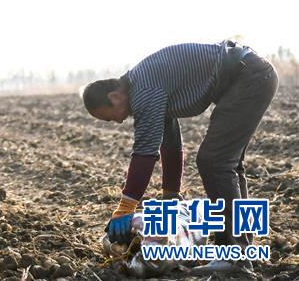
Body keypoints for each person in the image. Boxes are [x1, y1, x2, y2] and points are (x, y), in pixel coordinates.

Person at [82, 41, 278, 274]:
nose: (118, 122)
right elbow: (171, 143)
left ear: (114, 96)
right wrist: (171, 195)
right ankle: (241, 251)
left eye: (110, 117)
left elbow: (145, 153)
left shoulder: (143, 91)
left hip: (249, 77)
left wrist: (125, 207)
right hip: (252, 74)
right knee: (228, 165)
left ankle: (235, 257)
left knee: (214, 161)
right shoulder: (145, 86)